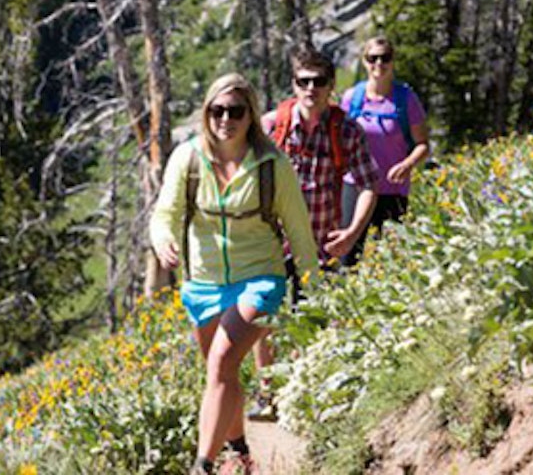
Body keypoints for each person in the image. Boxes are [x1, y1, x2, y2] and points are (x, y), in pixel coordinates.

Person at [150, 73, 319, 475]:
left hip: (260, 278)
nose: (226, 119)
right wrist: (162, 239)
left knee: (222, 363)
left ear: (250, 116)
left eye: (236, 111)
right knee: (221, 374)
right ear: (207, 113)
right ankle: (241, 453)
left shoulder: (272, 165)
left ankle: (202, 465)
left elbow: (298, 229)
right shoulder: (187, 159)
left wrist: (315, 291)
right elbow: (166, 213)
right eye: (217, 110)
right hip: (203, 284)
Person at [248, 45, 379, 417]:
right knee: (265, 316)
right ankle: (267, 393)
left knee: (312, 318)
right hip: (271, 242)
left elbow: (370, 183)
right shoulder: (274, 125)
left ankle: (307, 391)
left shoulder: (345, 130)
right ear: (294, 83)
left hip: (320, 243)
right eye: (303, 81)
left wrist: (353, 231)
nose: (310, 89)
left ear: (331, 85)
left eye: (318, 81)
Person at [340, 36, 429, 266]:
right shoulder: (352, 98)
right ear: (364, 61)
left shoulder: (405, 99)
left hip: (393, 188)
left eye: (385, 58)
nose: (379, 64)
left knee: (391, 258)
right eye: (373, 58)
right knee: (348, 253)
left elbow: (423, 145)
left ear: (393, 61)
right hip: (356, 186)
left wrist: (407, 165)